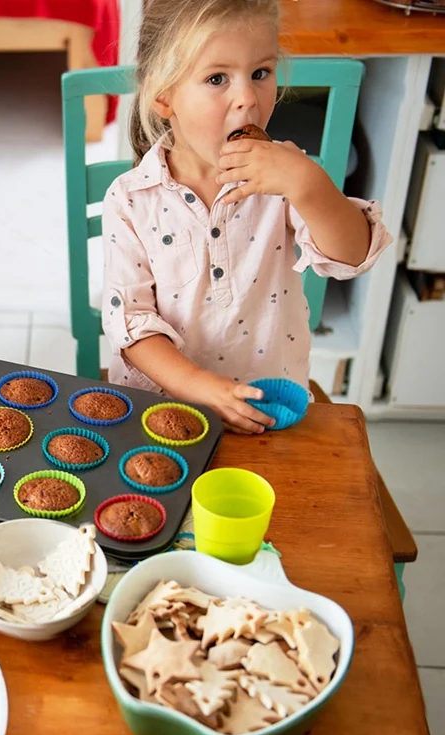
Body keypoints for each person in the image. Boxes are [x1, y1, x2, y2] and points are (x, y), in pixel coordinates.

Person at [102, 0, 392, 434]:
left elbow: (352, 256)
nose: (248, 99)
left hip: (269, 408)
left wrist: (308, 185)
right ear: (163, 94)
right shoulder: (131, 199)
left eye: (261, 73)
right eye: (217, 78)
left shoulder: (287, 178)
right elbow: (131, 326)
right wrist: (204, 389)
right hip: (162, 412)